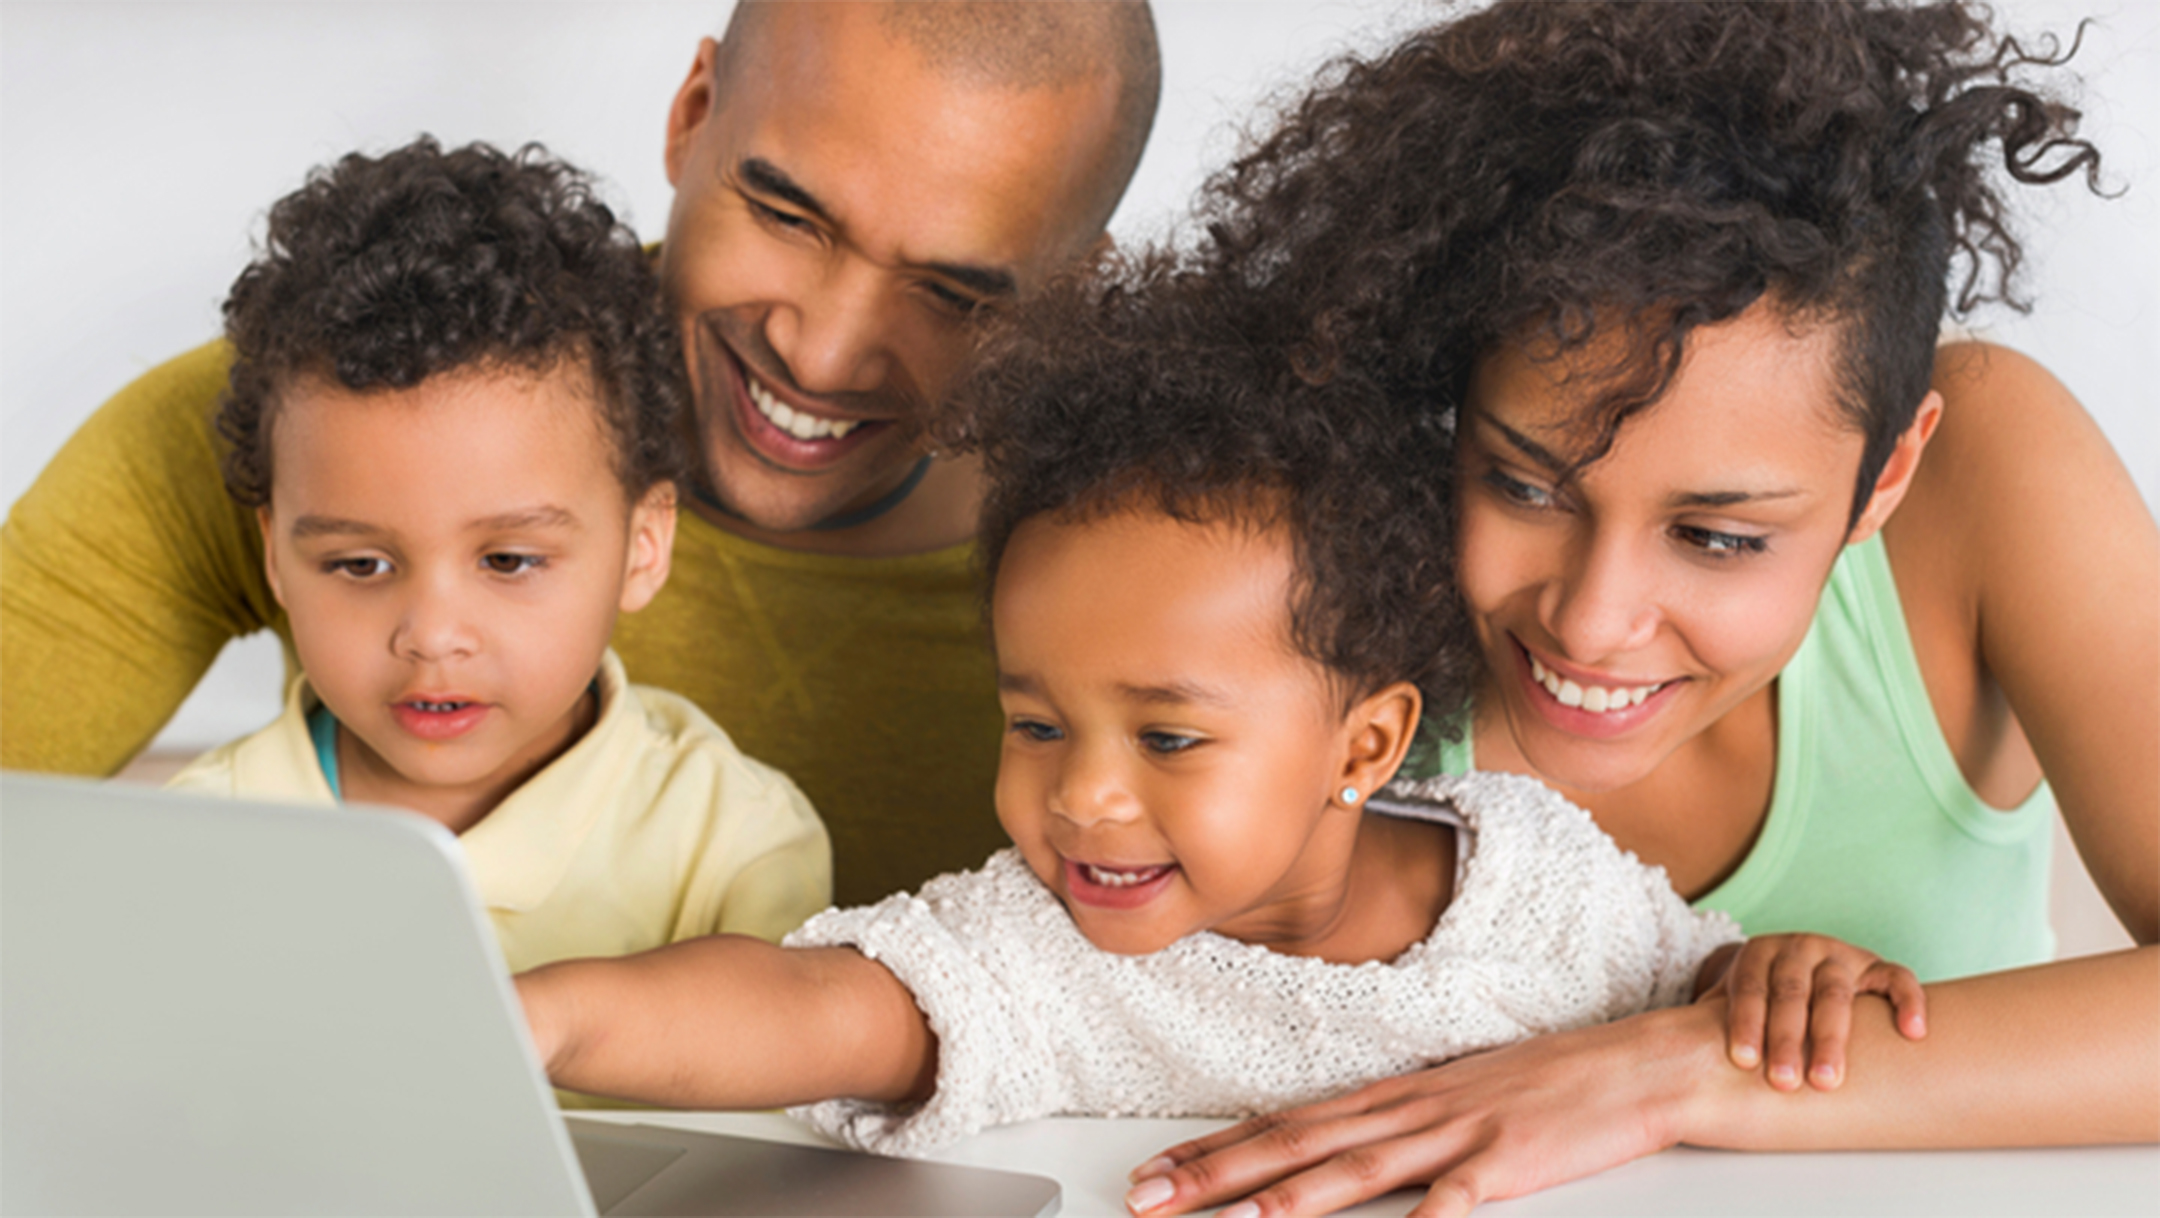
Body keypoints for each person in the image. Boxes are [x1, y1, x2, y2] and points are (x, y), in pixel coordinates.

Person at [513, 256, 1920, 1153]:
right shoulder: (1045, 950)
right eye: (1037, 721)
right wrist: (549, 1019)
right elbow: (809, 1003)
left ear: (1366, 743)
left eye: (1169, 735)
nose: (1082, 797)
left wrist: (1775, 973)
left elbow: (1714, 987)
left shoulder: (1539, 876)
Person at [1118, 4, 2158, 1216]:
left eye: (1718, 537)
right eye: (1522, 483)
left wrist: (1672, 1074)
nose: (1592, 622)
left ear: (1888, 475)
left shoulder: (1995, 469)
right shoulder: (1310, 561)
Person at [0, 0, 1161, 906]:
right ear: (691, 111)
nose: (823, 352)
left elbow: (1324, 878)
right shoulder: (335, 417)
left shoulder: (1174, 555)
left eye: (954, 291)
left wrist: (1356, 1046)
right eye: (789, 216)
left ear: (1077, 291)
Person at [163, 138, 829, 983]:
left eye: (509, 560)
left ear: (644, 544)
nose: (433, 637)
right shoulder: (198, 842)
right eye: (361, 565)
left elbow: (778, 1102)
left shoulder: (733, 842)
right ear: (275, 557)